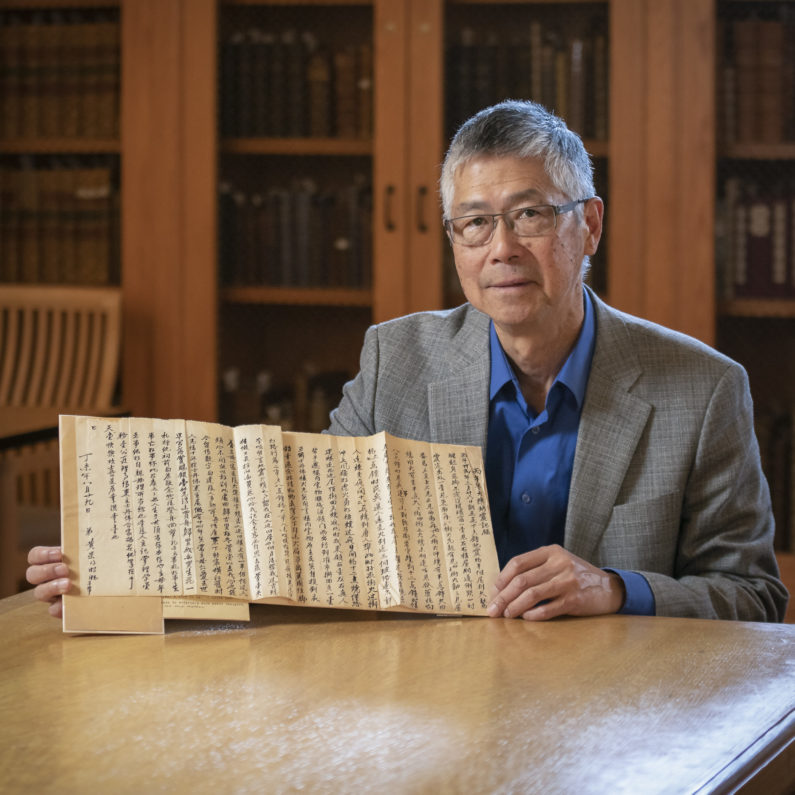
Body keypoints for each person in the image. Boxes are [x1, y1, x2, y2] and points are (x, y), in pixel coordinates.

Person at [28, 100, 787, 622]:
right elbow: (293, 537)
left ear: (587, 225)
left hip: (614, 715)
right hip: (433, 697)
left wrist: (616, 589)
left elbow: (754, 595)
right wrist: (119, 574)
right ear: (452, 239)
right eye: (474, 223)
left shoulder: (702, 387)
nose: (501, 249)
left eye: (528, 214)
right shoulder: (397, 358)